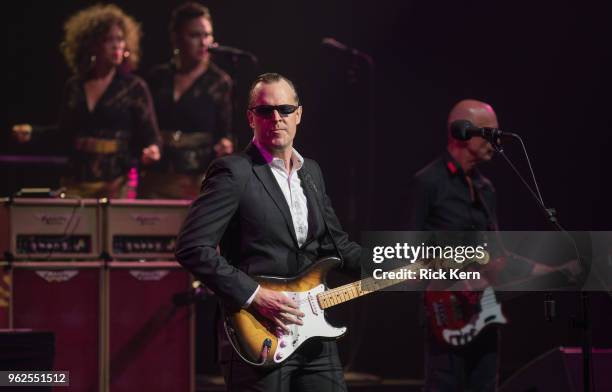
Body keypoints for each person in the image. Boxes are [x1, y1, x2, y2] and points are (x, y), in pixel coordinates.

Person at [175, 73, 364, 391]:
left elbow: (338, 246)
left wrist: (397, 257)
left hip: (314, 333)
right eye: (265, 111)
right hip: (257, 333)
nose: (276, 118)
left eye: (285, 109)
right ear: (251, 117)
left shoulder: (312, 172)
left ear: (299, 114)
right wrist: (255, 295)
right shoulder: (234, 172)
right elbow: (192, 247)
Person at [409, 99, 579, 391]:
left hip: (486, 314)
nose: (496, 140)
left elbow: (498, 256)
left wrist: (553, 270)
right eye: (488, 132)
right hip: (446, 315)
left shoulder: (487, 189)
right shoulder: (429, 182)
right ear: (461, 132)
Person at [12, 4, 161, 198]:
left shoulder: (134, 87)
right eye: (109, 39)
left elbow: (151, 135)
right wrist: (33, 133)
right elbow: (64, 133)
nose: (117, 45)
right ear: (92, 44)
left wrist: (153, 150)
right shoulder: (75, 85)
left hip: (116, 182)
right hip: (76, 181)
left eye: (120, 39)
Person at [139, 2, 234, 199]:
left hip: (197, 181)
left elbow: (226, 131)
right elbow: (144, 125)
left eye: (207, 35)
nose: (203, 42)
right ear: (176, 38)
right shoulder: (158, 77)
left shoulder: (219, 82)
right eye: (195, 35)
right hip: (156, 178)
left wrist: (225, 143)